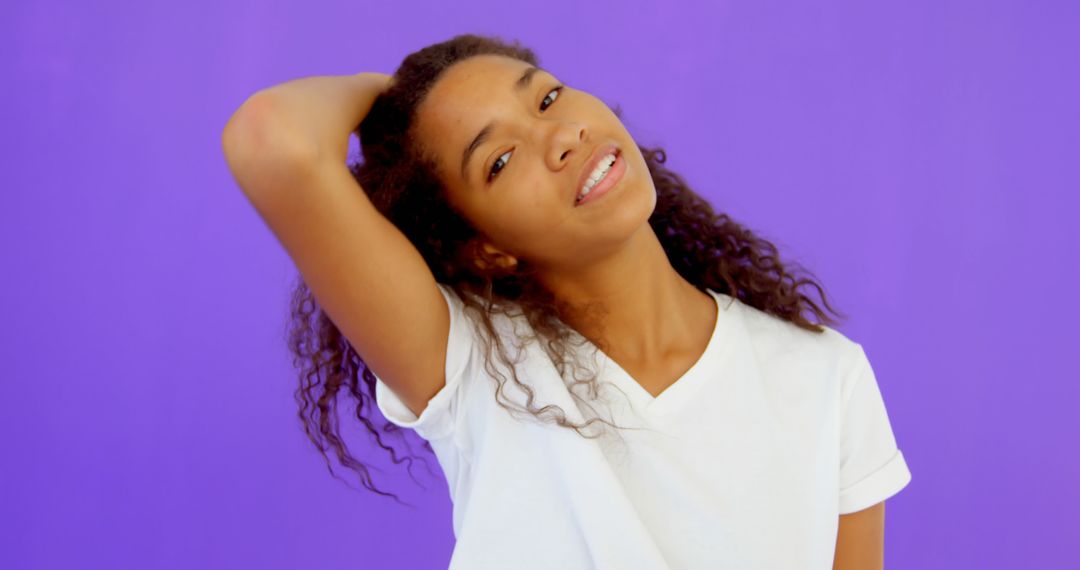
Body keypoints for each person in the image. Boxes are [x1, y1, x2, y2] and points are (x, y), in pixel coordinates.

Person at [222, 32, 911, 570]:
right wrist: (392, 96)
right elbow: (270, 138)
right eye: (498, 160)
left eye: (546, 98)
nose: (559, 137)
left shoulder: (825, 377)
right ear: (484, 249)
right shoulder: (472, 366)